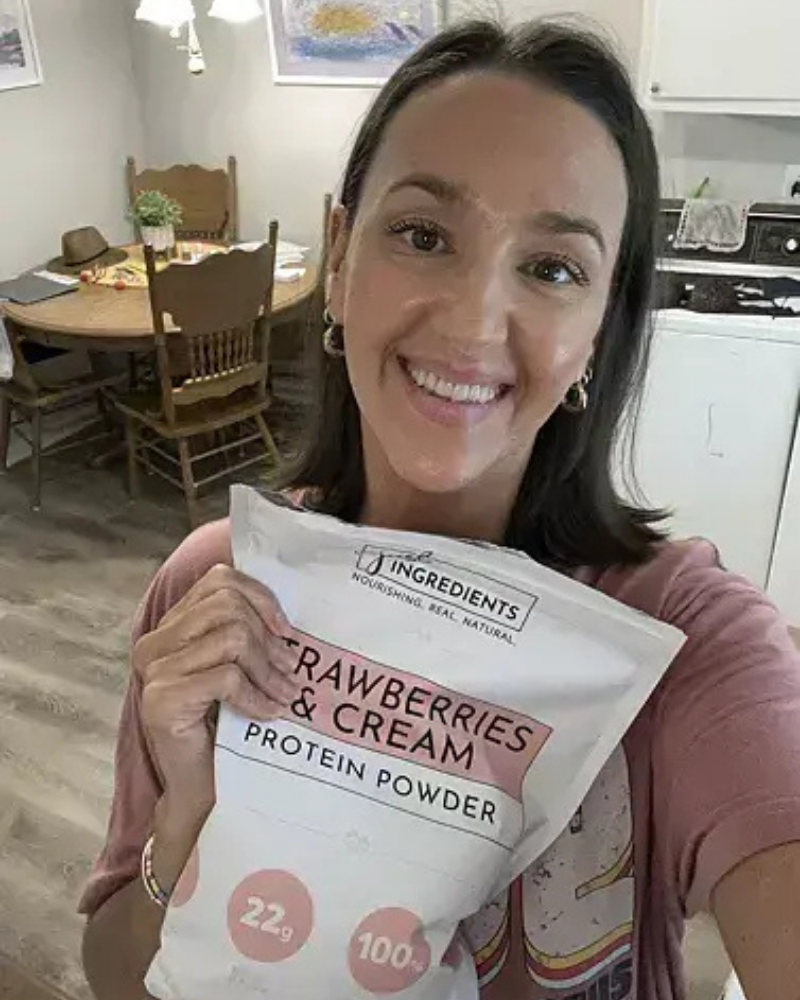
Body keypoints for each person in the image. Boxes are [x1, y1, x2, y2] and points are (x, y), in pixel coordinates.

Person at [80, 18, 800, 1000]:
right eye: (422, 236)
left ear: (598, 328)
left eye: (552, 268)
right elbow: (114, 973)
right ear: (340, 259)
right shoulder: (213, 589)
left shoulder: (685, 644)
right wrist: (184, 817)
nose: (471, 323)